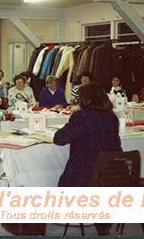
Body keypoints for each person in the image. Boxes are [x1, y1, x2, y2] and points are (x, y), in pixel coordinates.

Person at [53, 82, 121, 236]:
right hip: (111, 174)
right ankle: (101, 220)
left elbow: (59, 139)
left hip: (84, 175)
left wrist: (72, 117)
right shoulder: (112, 117)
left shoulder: (82, 117)